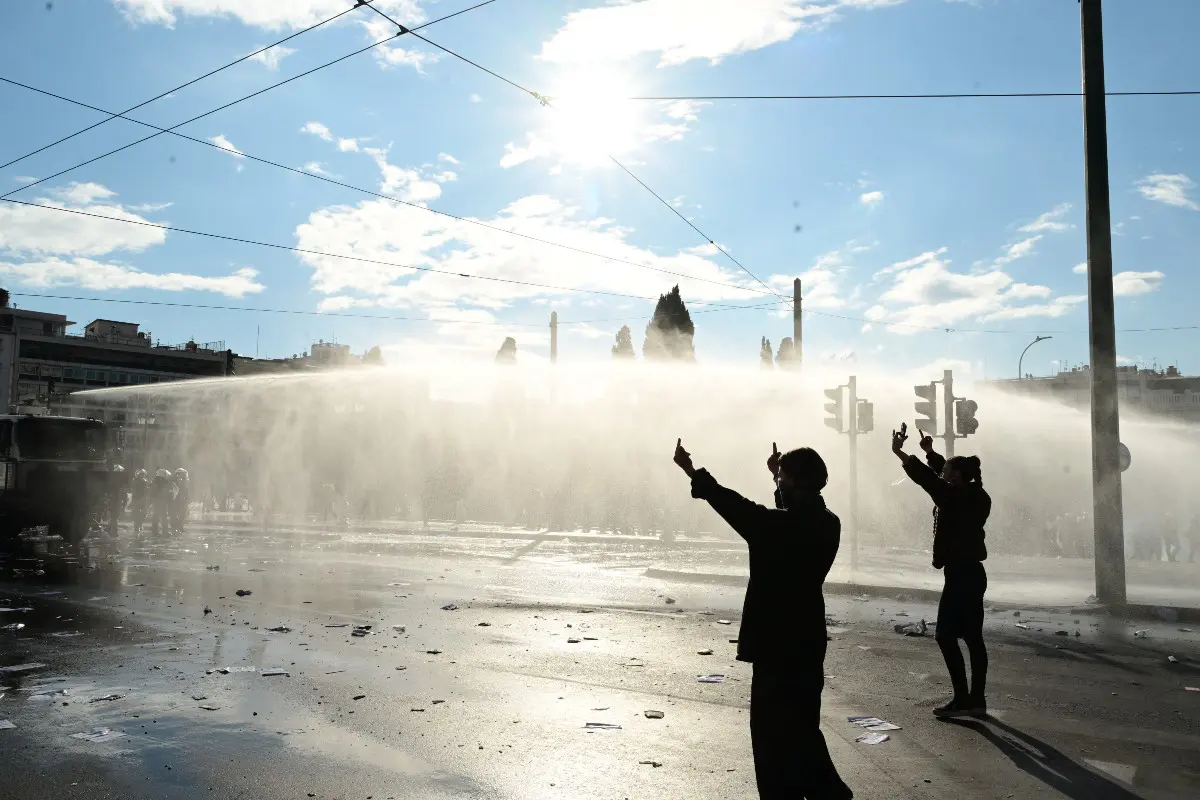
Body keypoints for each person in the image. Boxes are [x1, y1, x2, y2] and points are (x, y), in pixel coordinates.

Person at [674, 438, 851, 800]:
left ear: (797, 483)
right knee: (802, 729)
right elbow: (788, 511)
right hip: (807, 640)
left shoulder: (777, 528)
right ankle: (828, 793)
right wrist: (778, 476)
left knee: (771, 739)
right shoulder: (827, 523)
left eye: (784, 478)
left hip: (775, 643)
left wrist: (693, 473)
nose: (779, 484)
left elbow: (735, 506)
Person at [892, 425, 991, 718]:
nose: (942, 473)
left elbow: (929, 481)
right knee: (973, 638)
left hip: (961, 575)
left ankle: (962, 699)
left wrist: (901, 453)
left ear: (956, 476)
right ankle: (976, 700)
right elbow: (941, 477)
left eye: (947, 470)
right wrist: (931, 454)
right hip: (973, 573)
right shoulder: (977, 495)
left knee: (945, 636)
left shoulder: (952, 497)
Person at [130, 469, 150, 534]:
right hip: (136, 499)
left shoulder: (146, 481)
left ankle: (139, 524)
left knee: (144, 513)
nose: (142, 475)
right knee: (136, 513)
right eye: (141, 474)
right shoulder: (135, 481)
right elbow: (134, 490)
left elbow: (147, 490)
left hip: (143, 499)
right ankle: (137, 527)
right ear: (138, 475)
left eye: (143, 474)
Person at [171, 468, 190, 534]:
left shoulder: (185, 482)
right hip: (176, 501)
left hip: (183, 501)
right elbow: (174, 491)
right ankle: (176, 528)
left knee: (184, 514)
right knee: (177, 514)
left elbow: (186, 491)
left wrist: (187, 500)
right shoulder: (174, 482)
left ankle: (180, 527)